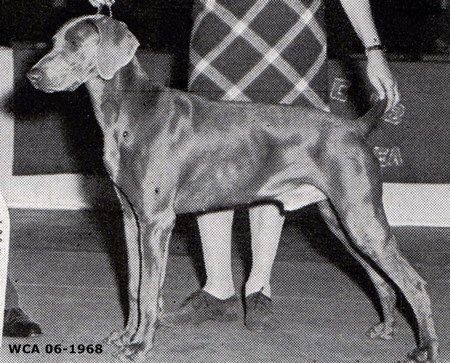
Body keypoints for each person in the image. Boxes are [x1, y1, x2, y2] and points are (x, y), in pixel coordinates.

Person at [88, 0, 399, 331]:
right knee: (208, 153)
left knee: (278, 154)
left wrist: (374, 48)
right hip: (220, 27)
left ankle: (259, 287)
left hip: (293, 31)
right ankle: (217, 288)